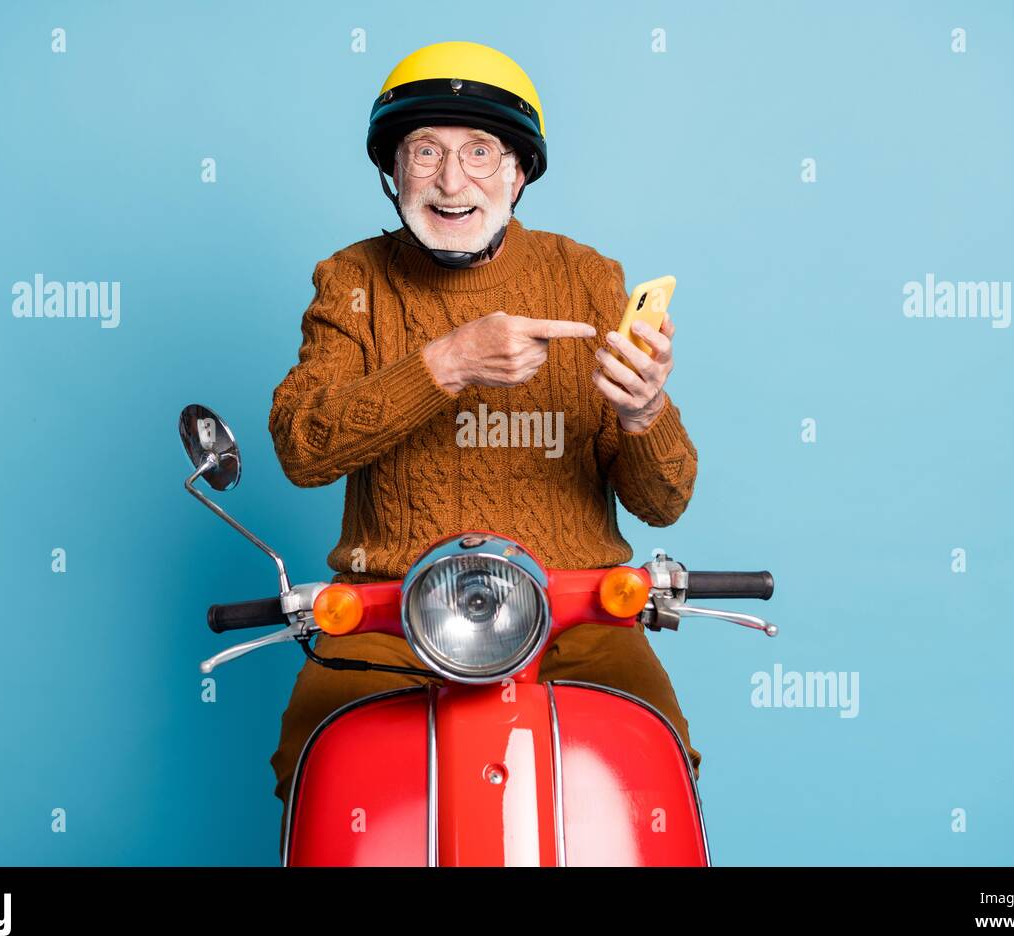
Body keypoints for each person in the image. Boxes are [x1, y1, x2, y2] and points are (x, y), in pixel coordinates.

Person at [267, 40, 700, 856]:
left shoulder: (588, 277)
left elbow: (665, 499)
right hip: (389, 618)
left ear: (519, 173)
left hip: (577, 615)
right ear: (393, 173)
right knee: (316, 768)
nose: (451, 179)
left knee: (659, 770)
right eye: (424, 150)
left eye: (478, 152)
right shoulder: (350, 282)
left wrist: (646, 413)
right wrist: (447, 364)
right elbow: (303, 446)